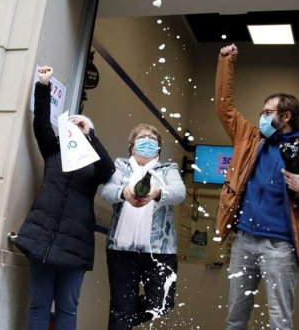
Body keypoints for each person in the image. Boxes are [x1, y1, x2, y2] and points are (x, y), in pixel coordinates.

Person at [214, 44, 299, 330]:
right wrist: (226, 62)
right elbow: (224, 106)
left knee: (279, 323)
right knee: (235, 320)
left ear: (286, 117)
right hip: (243, 242)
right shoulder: (248, 138)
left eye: (267, 111)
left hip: (280, 247)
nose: (261, 116)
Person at [14, 66, 116, 330]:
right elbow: (40, 123)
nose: (73, 132)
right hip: (43, 238)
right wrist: (43, 86)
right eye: (71, 128)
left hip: (76, 242)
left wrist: (90, 135)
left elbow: (109, 170)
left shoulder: (94, 164)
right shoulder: (53, 150)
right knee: (38, 305)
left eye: (79, 130)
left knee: (67, 309)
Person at [100, 124, 186, 330]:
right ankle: (122, 318)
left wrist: (158, 193)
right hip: (121, 249)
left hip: (160, 250)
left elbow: (179, 192)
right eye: (141, 137)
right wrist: (124, 192)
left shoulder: (168, 169)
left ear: (158, 147)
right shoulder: (121, 166)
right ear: (132, 145)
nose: (147, 140)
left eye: (152, 138)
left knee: (161, 303)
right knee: (121, 306)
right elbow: (107, 190)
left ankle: (124, 318)